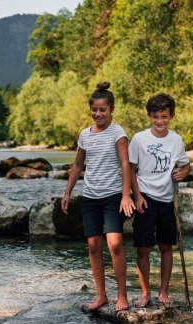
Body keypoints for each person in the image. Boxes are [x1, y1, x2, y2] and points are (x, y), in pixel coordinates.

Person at [61, 82, 135, 311]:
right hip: (90, 197)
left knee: (115, 244)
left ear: (111, 109)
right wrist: (67, 193)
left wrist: (126, 194)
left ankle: (122, 296)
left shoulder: (118, 133)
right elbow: (77, 165)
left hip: (113, 196)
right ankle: (101, 295)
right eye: (94, 110)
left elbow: (125, 164)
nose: (98, 114)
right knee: (93, 245)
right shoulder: (85, 135)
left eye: (103, 110)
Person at [128, 93, 191, 307]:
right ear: (149, 116)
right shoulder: (139, 139)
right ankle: (145, 292)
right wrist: (136, 196)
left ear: (171, 116)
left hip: (166, 199)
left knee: (166, 246)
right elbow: (130, 169)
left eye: (164, 116)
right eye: (155, 116)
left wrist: (183, 173)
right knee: (143, 248)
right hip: (145, 198)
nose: (159, 121)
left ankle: (163, 292)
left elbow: (185, 165)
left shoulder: (176, 140)